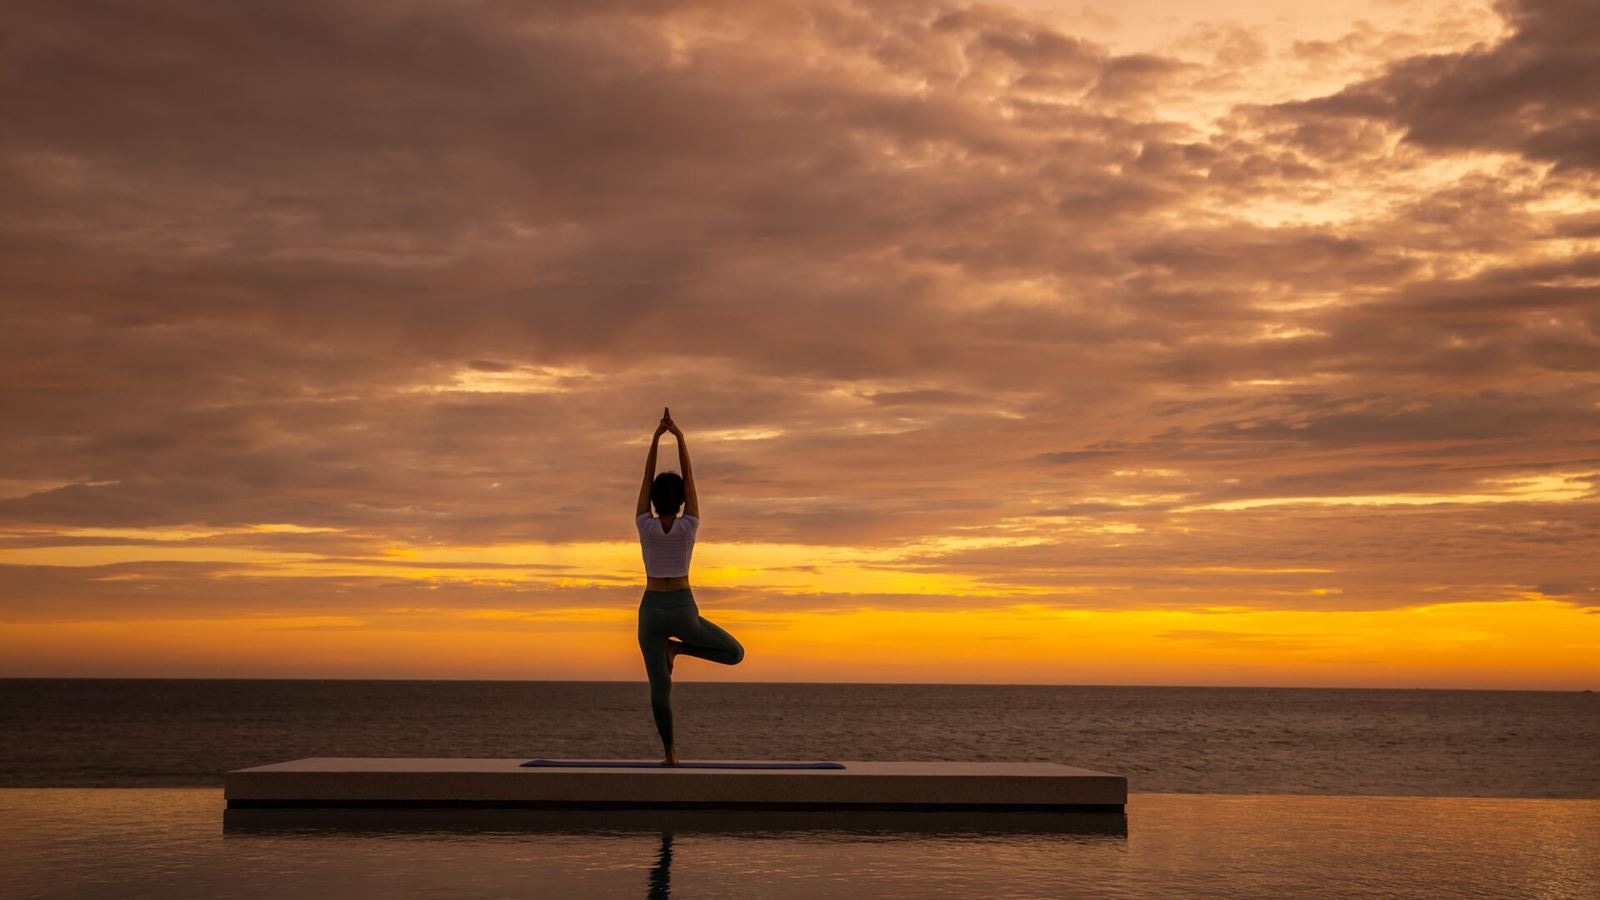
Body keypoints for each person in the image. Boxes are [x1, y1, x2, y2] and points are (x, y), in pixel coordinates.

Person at [635, 406, 744, 765]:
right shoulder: (689, 525)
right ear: (682, 501)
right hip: (682, 609)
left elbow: (645, 477)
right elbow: (690, 477)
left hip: (651, 611)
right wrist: (679, 437)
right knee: (734, 654)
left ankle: (669, 753)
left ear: (652, 500)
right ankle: (678, 650)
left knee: (659, 689)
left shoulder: (644, 524)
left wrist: (655, 438)